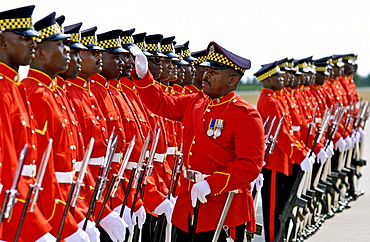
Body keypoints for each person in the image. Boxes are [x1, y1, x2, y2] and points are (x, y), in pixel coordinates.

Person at [131, 41, 264, 242]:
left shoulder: (246, 115)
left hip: (220, 203)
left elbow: (249, 166)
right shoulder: (195, 102)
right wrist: (143, 77)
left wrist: (212, 184)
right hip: (188, 200)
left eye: (214, 72)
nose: (206, 75)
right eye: (207, 70)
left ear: (232, 80)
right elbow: (161, 104)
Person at [21, 12, 89, 241]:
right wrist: (64, 223)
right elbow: (41, 169)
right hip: (50, 211)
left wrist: (79, 214)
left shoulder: (52, 93)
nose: (67, 51)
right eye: (60, 45)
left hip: (69, 203)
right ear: (40, 52)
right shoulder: (36, 95)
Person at [0, 5, 55, 241]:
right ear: (2, 43)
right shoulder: (3, 92)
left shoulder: (14, 88)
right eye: (24, 38)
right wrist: (35, 227)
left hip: (25, 209)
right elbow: (7, 169)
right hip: (10, 218)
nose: (33, 43)